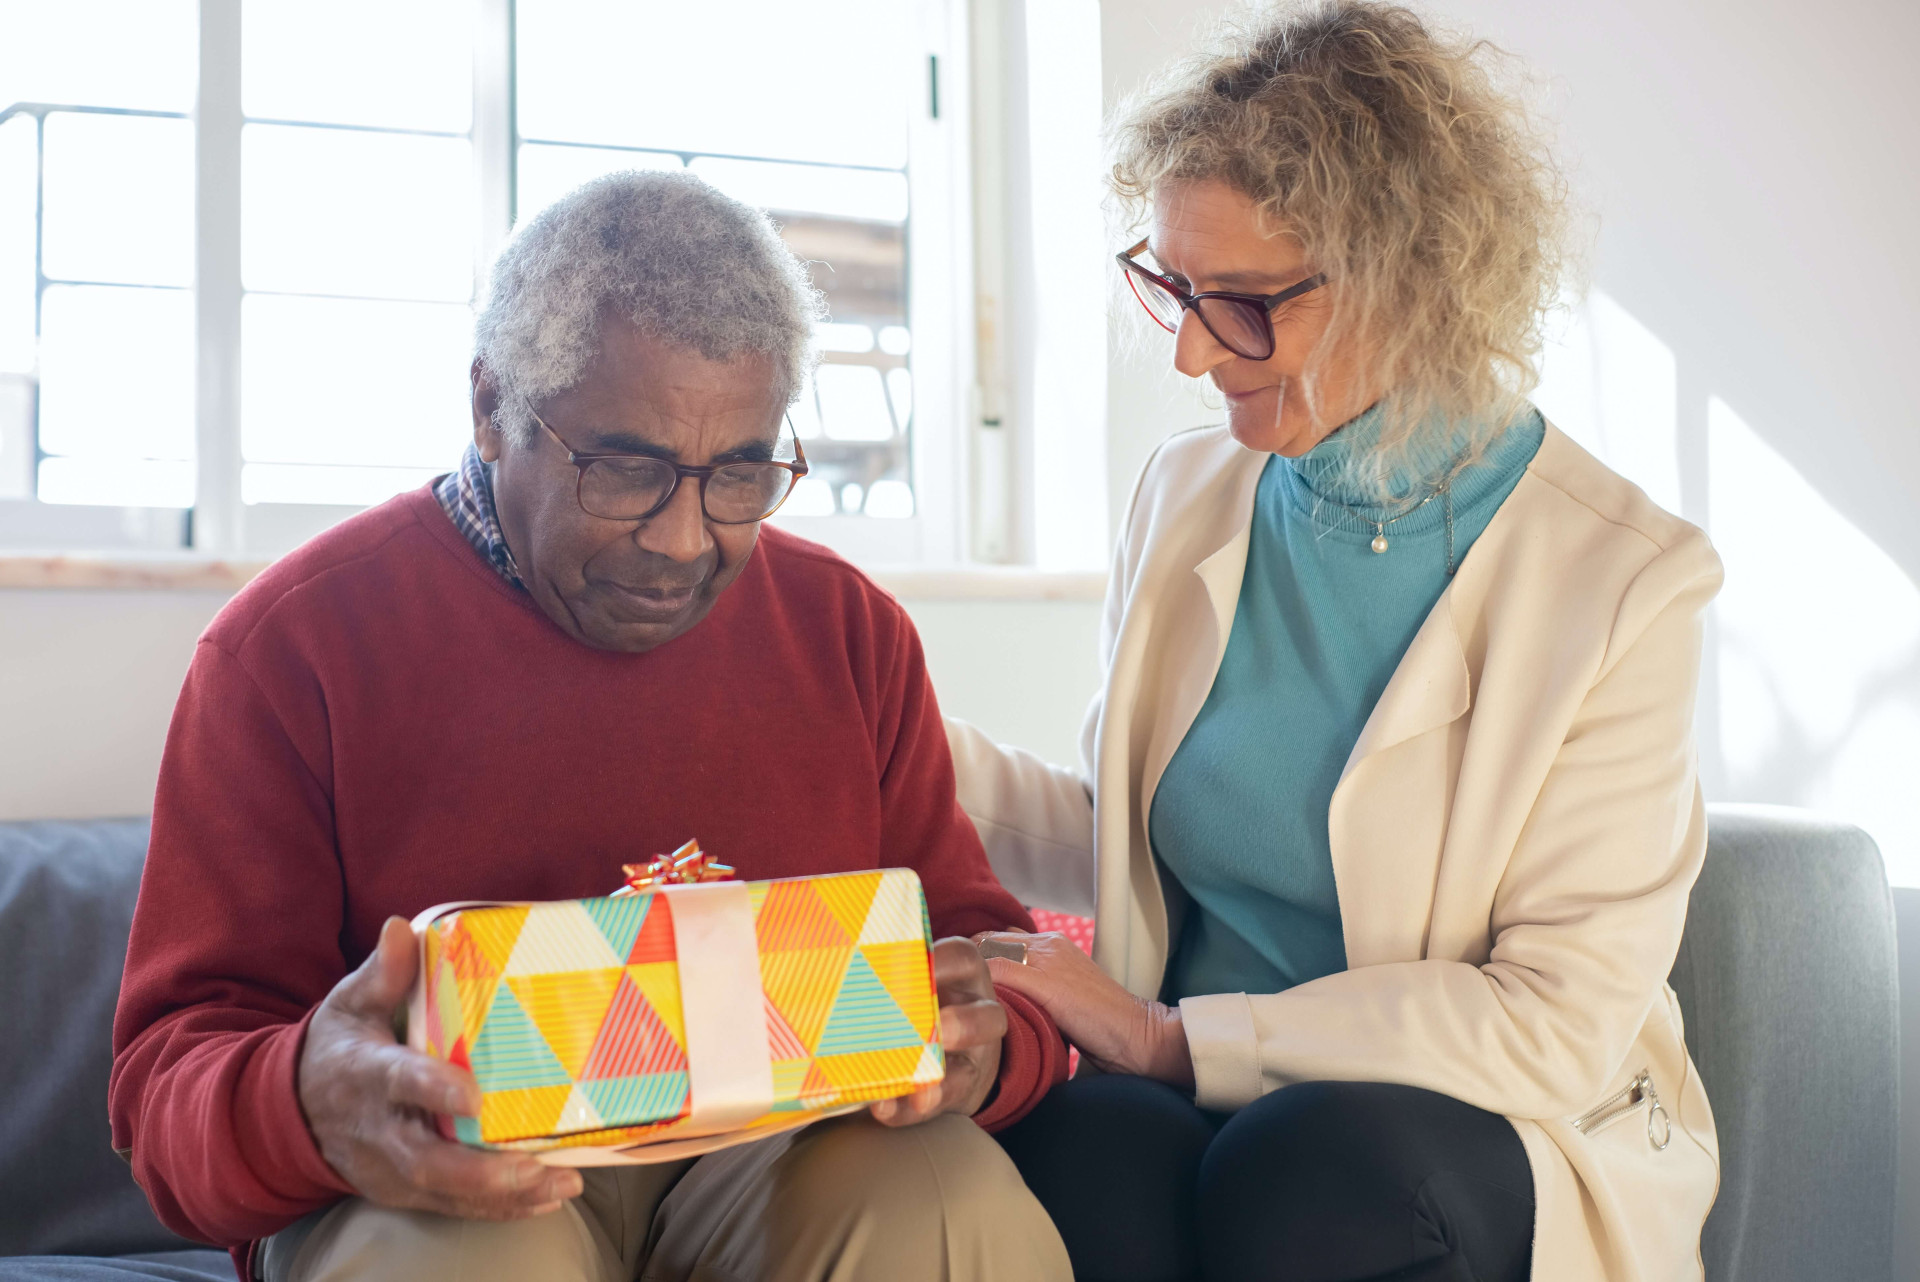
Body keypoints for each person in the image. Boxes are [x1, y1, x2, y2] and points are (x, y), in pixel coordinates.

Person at [109, 170, 1072, 1282]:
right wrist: (301, 1101)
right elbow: (166, 1087)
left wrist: (989, 1050)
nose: (682, 540)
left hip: (782, 1167)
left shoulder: (848, 631)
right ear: (490, 409)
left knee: (942, 1198)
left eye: (741, 474)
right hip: (445, 1185)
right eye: (626, 470)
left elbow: (987, 959)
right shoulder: (291, 649)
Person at [954, 4, 1722, 1280]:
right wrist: (886, 729)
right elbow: (1126, 828)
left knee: (1305, 1168)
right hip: (1197, 1085)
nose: (1197, 350)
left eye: (1246, 304)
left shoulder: (1624, 580)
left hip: (1477, 1121)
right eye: (1177, 290)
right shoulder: (1188, 492)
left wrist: (1167, 1039)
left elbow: (1549, 1022)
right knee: (1065, 1150)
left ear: (1412, 280)